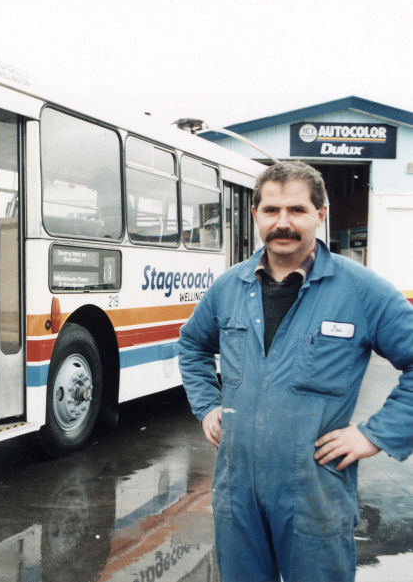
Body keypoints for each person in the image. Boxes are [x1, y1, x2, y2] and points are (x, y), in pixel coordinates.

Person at [177, 160, 413, 582]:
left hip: (314, 493)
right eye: (271, 210)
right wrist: (207, 405)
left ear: (320, 215)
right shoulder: (228, 288)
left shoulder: (361, 290)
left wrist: (374, 434)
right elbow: (192, 344)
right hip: (237, 492)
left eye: (297, 210)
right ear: (255, 215)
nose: (282, 222)